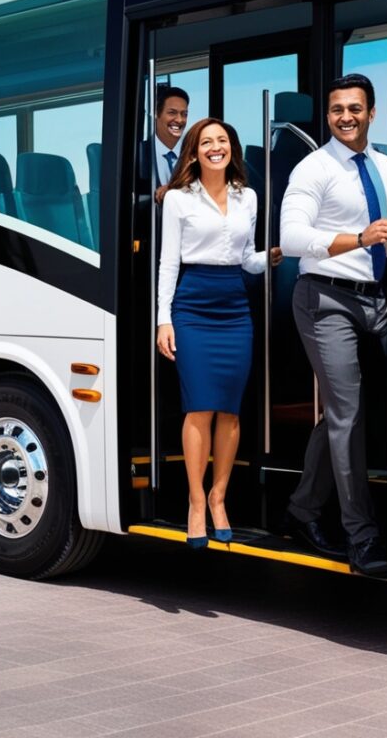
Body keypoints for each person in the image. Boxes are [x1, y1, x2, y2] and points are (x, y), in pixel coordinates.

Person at [280, 73, 387, 577]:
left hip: (386, 299)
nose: (345, 116)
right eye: (336, 110)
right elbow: (293, 236)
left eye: (354, 108)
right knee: (349, 417)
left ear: (372, 113)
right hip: (325, 300)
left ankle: (303, 509)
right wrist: (361, 238)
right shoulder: (314, 168)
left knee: (368, 411)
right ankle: (362, 539)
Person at [156, 118, 281, 547]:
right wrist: (163, 319)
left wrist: (275, 256)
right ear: (193, 152)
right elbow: (168, 263)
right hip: (192, 304)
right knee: (199, 408)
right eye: (206, 142)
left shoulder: (249, 197)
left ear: (232, 149)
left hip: (233, 305)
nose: (215, 148)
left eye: (222, 141)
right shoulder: (176, 199)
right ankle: (194, 502)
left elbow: (246, 259)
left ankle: (218, 498)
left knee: (230, 410)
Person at [140, 85, 189, 200]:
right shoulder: (139, 153)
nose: (179, 120)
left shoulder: (195, 153)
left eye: (184, 114)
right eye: (172, 113)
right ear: (156, 113)